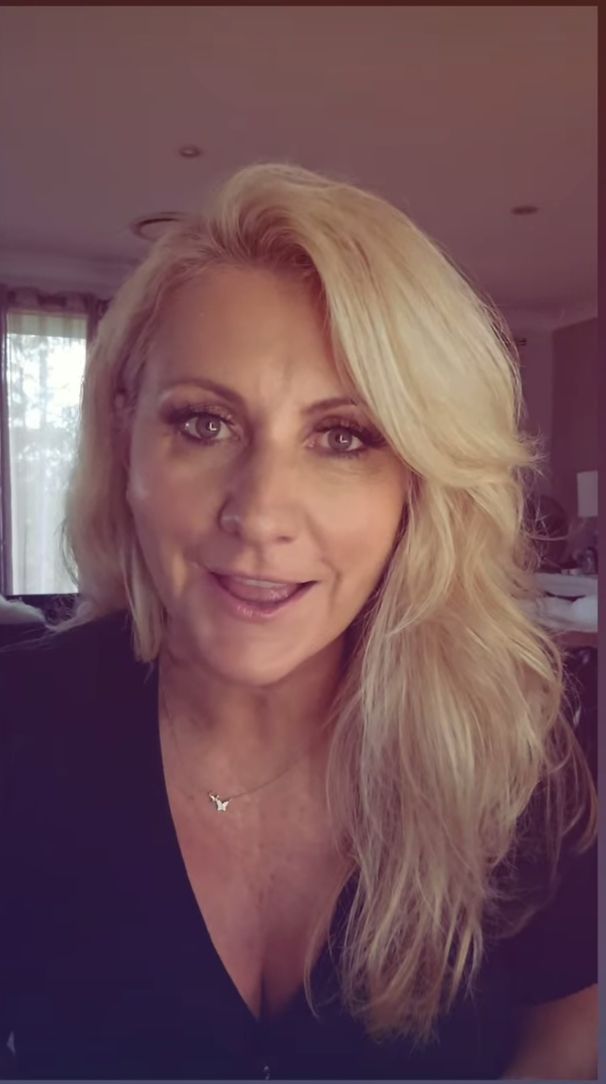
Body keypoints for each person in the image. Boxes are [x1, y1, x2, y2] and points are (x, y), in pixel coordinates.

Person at [0, 163, 597, 1080]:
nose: (260, 514)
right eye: (204, 424)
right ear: (126, 438)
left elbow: (568, 1016)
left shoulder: (513, 750)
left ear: (418, 484)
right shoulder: (19, 725)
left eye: (343, 437)